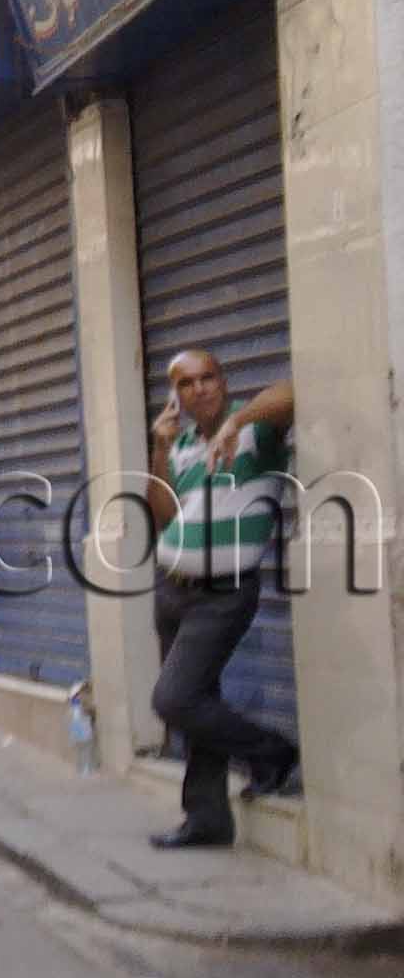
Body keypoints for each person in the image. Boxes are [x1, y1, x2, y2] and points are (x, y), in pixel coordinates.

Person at [142, 349, 300, 849]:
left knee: (174, 699)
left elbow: (294, 393)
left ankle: (272, 751)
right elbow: (164, 516)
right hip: (172, 588)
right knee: (196, 703)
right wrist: (160, 449)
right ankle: (207, 818)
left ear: (224, 381)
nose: (200, 389)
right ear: (177, 395)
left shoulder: (256, 434)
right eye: (187, 383)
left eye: (208, 377)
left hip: (223, 593)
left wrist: (238, 421)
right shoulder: (183, 444)